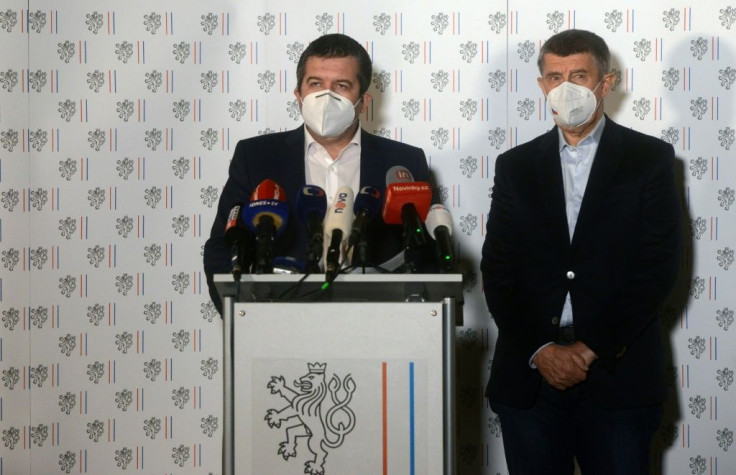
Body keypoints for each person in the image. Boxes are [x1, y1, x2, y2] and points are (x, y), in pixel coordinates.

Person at [480, 29, 681, 474]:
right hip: (530, 378)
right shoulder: (515, 166)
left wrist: (591, 349)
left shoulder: (651, 159)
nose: (565, 87)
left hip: (618, 379)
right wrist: (542, 349)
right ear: (541, 87)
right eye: (555, 76)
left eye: (578, 75)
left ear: (606, 84)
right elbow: (498, 270)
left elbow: (659, 266)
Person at [203, 33, 430, 312]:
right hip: (282, 324)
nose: (326, 95)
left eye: (342, 85)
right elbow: (223, 247)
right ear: (298, 95)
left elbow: (424, 255)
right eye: (315, 84)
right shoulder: (256, 157)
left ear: (364, 101)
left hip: (377, 325)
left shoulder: (404, 162)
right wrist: (246, 323)